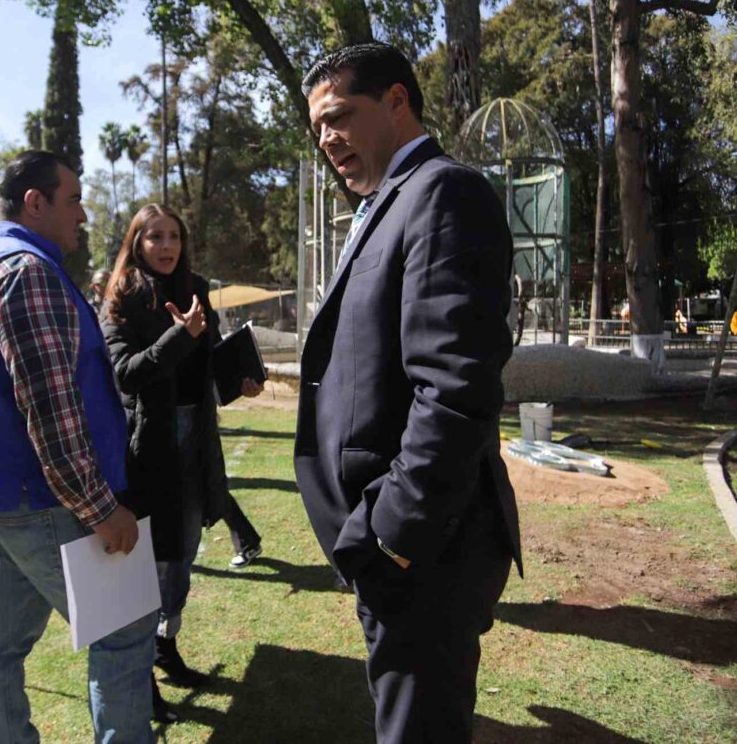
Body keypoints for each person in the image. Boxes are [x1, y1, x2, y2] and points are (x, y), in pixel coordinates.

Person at [294, 43, 523, 743]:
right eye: (318, 127)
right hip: (391, 553)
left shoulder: (444, 192)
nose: (327, 137)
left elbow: (455, 386)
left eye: (339, 116)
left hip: (422, 553)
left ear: (397, 101)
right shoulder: (384, 203)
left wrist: (393, 534)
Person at [0, 150, 155, 744]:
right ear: (36, 202)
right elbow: (52, 412)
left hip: (12, 497)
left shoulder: (4, 264)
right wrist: (102, 510)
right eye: (75, 199)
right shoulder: (25, 272)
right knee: (127, 630)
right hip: (44, 498)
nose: (84, 214)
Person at [101, 204, 263, 721]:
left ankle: (166, 644)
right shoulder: (122, 297)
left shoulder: (194, 289)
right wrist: (181, 335)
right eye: (155, 237)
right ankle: (140, 670)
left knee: (184, 553)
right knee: (149, 564)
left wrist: (239, 379)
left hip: (196, 442)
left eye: (174, 236)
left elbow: (209, 360)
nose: (166, 246)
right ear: (137, 242)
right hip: (149, 452)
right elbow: (126, 374)